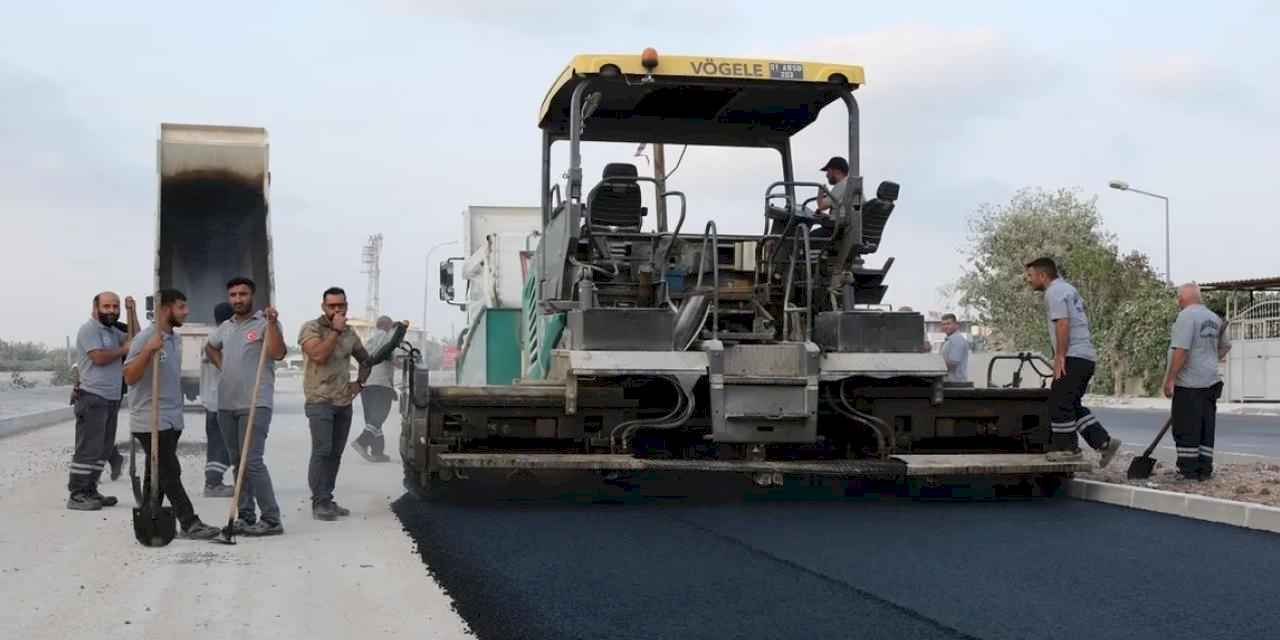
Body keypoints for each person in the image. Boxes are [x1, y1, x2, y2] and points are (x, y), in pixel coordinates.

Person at [122, 288, 221, 539]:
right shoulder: (145, 338)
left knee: (155, 472)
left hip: (171, 418)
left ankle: (149, 518)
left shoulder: (175, 339)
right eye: (181, 307)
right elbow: (129, 377)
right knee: (169, 471)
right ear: (165, 309)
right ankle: (190, 522)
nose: (186, 312)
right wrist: (148, 351)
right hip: (149, 418)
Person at [206, 277, 286, 536]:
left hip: (255, 402)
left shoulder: (265, 323)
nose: (238, 299)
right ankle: (246, 516)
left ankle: (272, 519)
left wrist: (273, 324)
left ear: (252, 295)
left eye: (243, 294)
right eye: (233, 295)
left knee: (252, 461)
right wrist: (225, 368)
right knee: (238, 462)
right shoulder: (226, 327)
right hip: (227, 404)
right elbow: (211, 347)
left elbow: (277, 353)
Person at [1023, 257, 1122, 466]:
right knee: (1071, 404)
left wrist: (1060, 356)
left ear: (1043, 275)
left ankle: (1068, 449)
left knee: (1058, 403)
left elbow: (1063, 324)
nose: (1028, 280)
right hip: (1084, 357)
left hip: (1073, 356)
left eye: (1030, 276)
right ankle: (1104, 442)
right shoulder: (1068, 289)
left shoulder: (1054, 292)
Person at [298, 287, 373, 521]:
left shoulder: (350, 334)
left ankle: (327, 498)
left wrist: (359, 383)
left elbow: (365, 359)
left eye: (341, 305)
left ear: (346, 306)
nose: (337, 309)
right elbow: (319, 355)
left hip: (343, 401)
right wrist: (334, 331)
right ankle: (319, 502)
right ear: (323, 307)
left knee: (336, 454)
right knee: (322, 450)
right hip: (319, 400)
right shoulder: (311, 328)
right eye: (332, 306)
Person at [67, 292, 134, 510]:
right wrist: (124, 349)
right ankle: (77, 495)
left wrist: (132, 311)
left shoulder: (113, 331)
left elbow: (136, 337)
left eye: (116, 307)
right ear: (95, 308)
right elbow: (98, 357)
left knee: (103, 449)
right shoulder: (90, 329)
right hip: (92, 397)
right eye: (107, 306)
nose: (112, 310)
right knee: (88, 448)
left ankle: (91, 490)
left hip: (112, 397)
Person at [1162, 283, 1230, 480]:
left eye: (1178, 298)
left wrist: (1170, 379)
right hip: (1211, 381)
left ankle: (1188, 471)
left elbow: (1181, 350)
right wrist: (1207, 359)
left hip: (1189, 383)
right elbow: (1225, 347)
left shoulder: (1186, 316)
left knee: (1185, 427)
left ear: (1182, 298)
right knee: (1205, 427)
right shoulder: (1214, 318)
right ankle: (1204, 469)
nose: (1178, 302)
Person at [200, 302, 235, 497]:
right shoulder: (222, 337)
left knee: (218, 443)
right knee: (221, 444)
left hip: (213, 401)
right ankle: (213, 484)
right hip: (220, 402)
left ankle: (214, 482)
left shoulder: (212, 335)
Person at [351, 315, 396, 463]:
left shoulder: (368, 340)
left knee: (373, 419)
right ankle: (361, 442)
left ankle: (377, 452)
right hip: (381, 383)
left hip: (367, 384)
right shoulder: (387, 338)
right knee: (379, 416)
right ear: (388, 326)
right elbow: (391, 357)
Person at [940, 313, 969, 384]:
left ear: (956, 325)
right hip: (950, 381)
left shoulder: (957, 339)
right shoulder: (950, 340)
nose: (946, 326)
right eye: (943, 324)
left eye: (948, 324)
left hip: (955, 383)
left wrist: (935, 365)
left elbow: (953, 363)